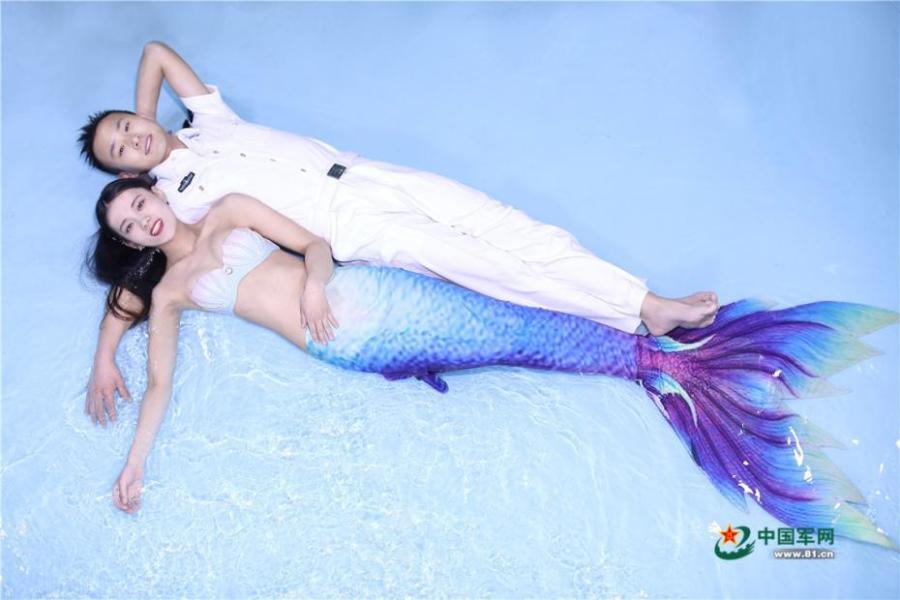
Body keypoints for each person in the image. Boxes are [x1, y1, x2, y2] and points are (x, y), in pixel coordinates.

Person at [88, 177, 898, 551]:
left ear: (155, 192)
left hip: (362, 295)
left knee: (516, 326)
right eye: (130, 224)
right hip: (354, 346)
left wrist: (315, 282)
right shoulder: (171, 295)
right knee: (509, 342)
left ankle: (661, 361)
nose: (145, 219)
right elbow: (158, 382)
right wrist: (133, 459)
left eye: (141, 201)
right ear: (131, 242)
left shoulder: (227, 208)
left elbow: (314, 243)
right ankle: (666, 369)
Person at [79, 41, 720, 427]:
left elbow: (155, 52)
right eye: (120, 150)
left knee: (508, 226)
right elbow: (139, 288)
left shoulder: (207, 121)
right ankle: (625, 322)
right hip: (349, 227)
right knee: (489, 268)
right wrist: (106, 354)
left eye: (128, 127)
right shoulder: (173, 203)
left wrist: (142, 121)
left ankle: (643, 301)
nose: (133, 138)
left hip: (368, 173)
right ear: (124, 173)